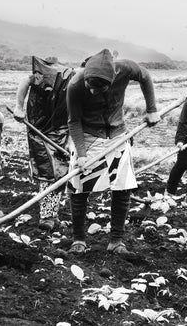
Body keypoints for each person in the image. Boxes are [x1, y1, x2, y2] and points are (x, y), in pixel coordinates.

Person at [66, 49, 160, 257]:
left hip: (118, 135)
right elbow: (73, 121)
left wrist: (151, 109)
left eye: (98, 89)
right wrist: (81, 154)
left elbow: (144, 76)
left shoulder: (125, 68)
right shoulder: (75, 85)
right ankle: (79, 239)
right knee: (79, 187)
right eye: (89, 87)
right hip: (88, 135)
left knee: (122, 187)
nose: (92, 92)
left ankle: (116, 241)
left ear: (111, 80)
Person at [13, 56, 75, 230]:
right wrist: (19, 106)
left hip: (61, 131)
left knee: (61, 173)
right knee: (47, 173)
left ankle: (52, 215)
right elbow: (25, 81)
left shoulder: (69, 78)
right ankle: (46, 217)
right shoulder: (39, 76)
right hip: (39, 131)